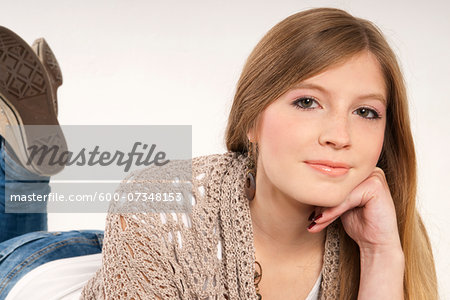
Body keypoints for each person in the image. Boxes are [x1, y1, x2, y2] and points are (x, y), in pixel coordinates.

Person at [0, 7, 439, 300]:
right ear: (252, 120)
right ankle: (24, 164)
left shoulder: (384, 232)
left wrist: (382, 256)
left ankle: (24, 155)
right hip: (44, 274)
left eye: (366, 111)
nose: (340, 136)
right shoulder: (154, 202)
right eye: (307, 102)